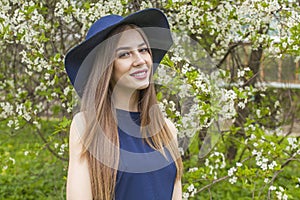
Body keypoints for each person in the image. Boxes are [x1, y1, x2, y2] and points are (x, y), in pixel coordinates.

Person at [64, 8, 183, 200]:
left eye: (143, 50)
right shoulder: (86, 127)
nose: (139, 60)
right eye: (124, 54)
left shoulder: (167, 130)